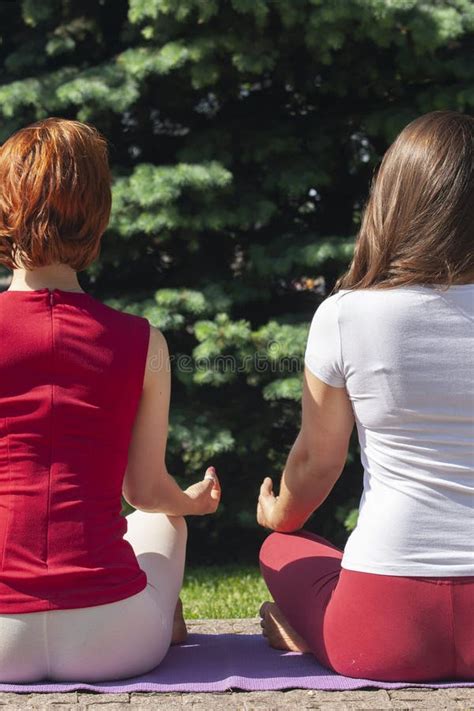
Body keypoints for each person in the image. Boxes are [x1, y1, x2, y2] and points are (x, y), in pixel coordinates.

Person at [0, 117, 221, 683]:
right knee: (164, 521)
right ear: (98, 215)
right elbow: (144, 492)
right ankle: (161, 616)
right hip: (113, 640)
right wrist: (192, 502)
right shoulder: (143, 340)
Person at [257, 110, 474, 682]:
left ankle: (308, 629)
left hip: (380, 632)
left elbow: (316, 460)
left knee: (281, 549)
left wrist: (279, 514)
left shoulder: (347, 314)